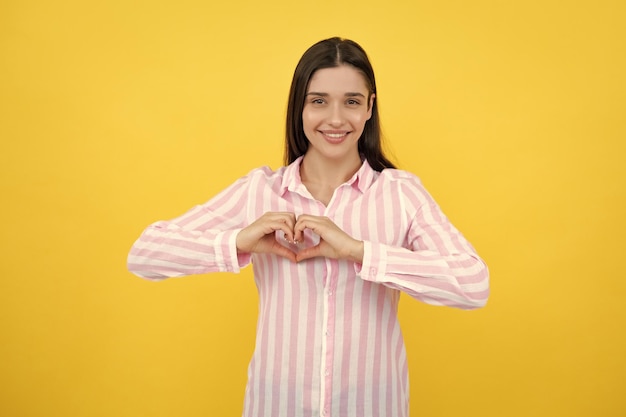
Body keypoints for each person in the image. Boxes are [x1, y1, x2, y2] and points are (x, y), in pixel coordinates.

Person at [128, 37, 489, 417]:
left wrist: (359, 251)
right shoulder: (258, 192)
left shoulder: (402, 194)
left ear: (370, 107)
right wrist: (238, 242)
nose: (335, 119)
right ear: (299, 107)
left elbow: (473, 283)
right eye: (318, 101)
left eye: (351, 101)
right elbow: (145, 254)